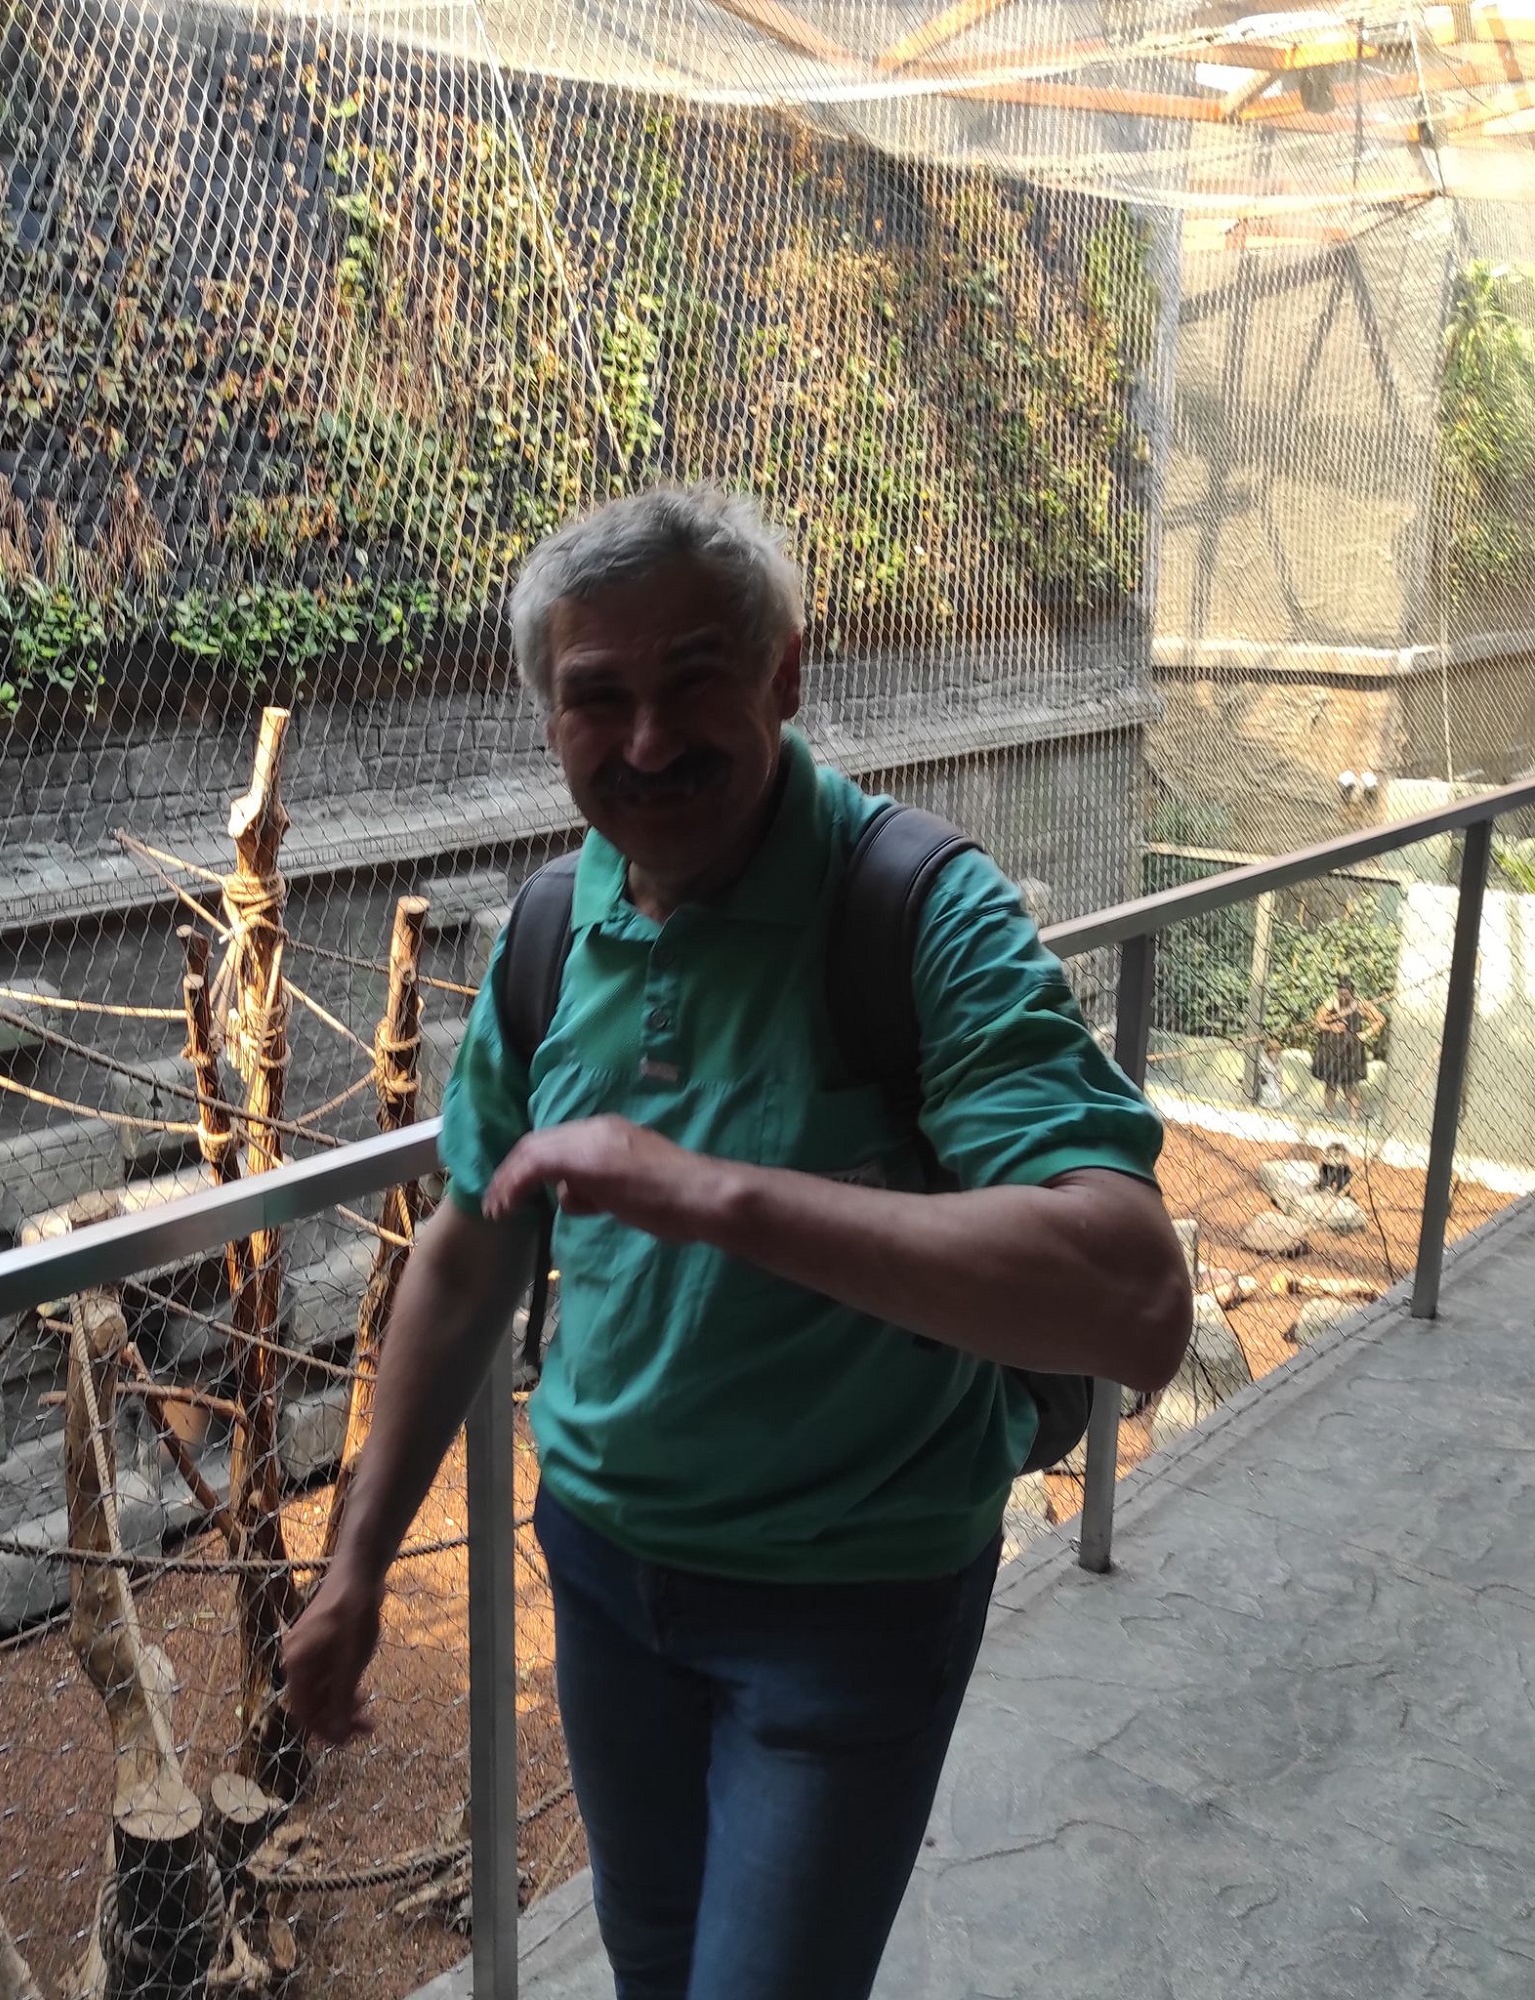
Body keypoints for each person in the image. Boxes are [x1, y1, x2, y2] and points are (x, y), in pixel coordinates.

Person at [282, 486, 1191, 2000]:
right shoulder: (550, 929)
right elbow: (470, 1247)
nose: (647, 742)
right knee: (653, 1965)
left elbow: (1134, 1296)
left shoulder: (917, 913)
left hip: (851, 1597)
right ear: (550, 719)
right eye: (599, 696)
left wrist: (718, 1193)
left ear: (784, 675)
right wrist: (358, 1560)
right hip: (601, 1572)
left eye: (694, 678)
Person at [1311, 973, 1385, 1120]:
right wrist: (1331, 1027)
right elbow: (1317, 1022)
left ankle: (1354, 1117)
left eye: (1346, 994)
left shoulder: (1361, 1005)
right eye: (1340, 994)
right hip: (1331, 1047)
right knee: (1331, 1082)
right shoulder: (1330, 1003)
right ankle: (1328, 1113)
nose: (1343, 997)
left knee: (1349, 1084)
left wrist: (1365, 1034)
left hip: (1351, 1049)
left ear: (1352, 993)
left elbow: (1380, 1020)